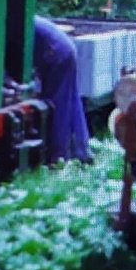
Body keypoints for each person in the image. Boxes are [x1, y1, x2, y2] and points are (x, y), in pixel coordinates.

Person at [32, 16, 92, 164]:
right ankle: (82, 152)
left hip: (57, 55)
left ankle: (59, 157)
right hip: (62, 50)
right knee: (71, 102)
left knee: (59, 108)